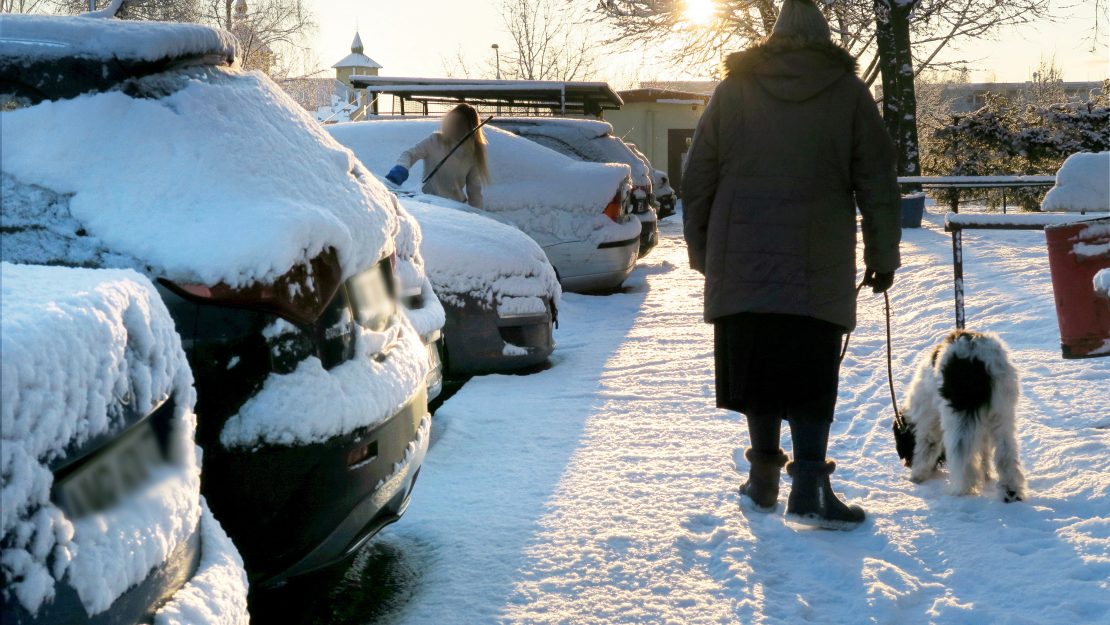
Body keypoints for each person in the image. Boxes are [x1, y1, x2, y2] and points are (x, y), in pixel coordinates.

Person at [682, 0, 901, 530]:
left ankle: (762, 483)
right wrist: (881, 256)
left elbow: (698, 175)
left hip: (742, 261)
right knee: (809, 370)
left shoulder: (733, 91)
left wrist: (703, 252)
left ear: (773, 38)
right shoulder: (848, 94)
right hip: (816, 261)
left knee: (757, 368)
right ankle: (809, 490)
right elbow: (877, 181)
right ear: (826, 40)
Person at [385, 103, 490, 208]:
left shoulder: (472, 155)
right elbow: (409, 154)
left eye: (461, 125)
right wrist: (401, 168)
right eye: (454, 123)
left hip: (455, 210)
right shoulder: (435, 141)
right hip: (429, 205)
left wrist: (478, 217)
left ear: (470, 128)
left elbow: (474, 192)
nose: (456, 127)